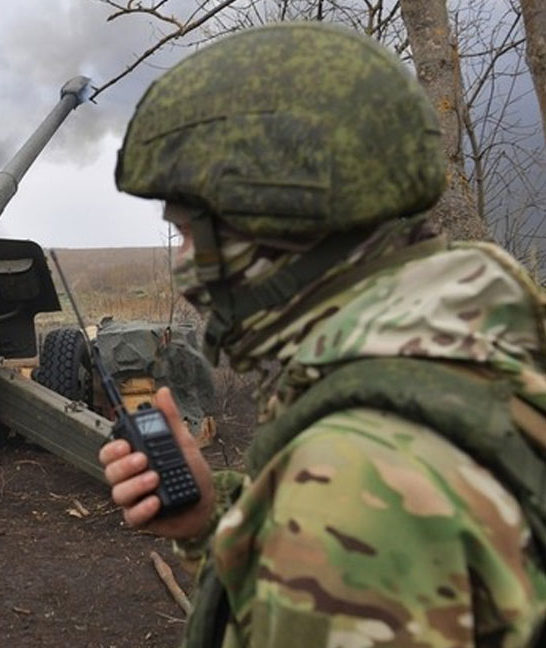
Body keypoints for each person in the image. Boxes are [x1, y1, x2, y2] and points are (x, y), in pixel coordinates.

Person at [99, 22, 546, 647]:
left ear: (271, 223)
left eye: (187, 233)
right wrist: (207, 522)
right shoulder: (469, 348)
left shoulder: (354, 484)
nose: (180, 264)